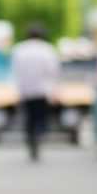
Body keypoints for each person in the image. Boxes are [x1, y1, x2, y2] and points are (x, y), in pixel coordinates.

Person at [11, 24, 60, 161]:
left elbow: (16, 72)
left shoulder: (19, 50)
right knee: (40, 118)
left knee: (28, 118)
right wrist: (53, 91)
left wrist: (18, 90)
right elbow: (52, 72)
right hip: (42, 91)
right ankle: (37, 137)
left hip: (25, 91)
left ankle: (31, 139)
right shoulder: (47, 50)